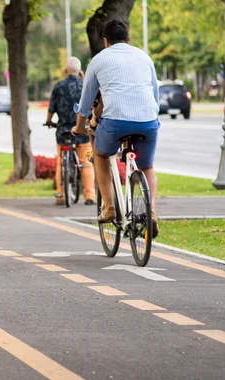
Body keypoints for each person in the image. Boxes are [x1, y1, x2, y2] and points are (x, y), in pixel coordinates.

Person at [72, 19, 160, 237]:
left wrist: (79, 127)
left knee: (101, 155)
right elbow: (155, 96)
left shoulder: (98, 60)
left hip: (114, 122)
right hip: (148, 121)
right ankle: (152, 212)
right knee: (147, 166)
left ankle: (109, 207)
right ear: (128, 38)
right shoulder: (144, 57)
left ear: (105, 41)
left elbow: (85, 103)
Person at [46, 57, 96, 206]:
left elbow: (51, 109)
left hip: (63, 132)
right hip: (82, 132)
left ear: (66, 71)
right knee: (86, 163)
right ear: (80, 72)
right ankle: (89, 196)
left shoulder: (58, 87)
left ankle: (61, 194)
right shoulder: (85, 86)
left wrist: (49, 121)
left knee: (61, 162)